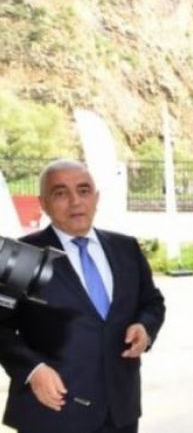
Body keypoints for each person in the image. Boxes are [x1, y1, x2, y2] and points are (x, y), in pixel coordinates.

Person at [0, 159, 166, 433]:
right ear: (43, 203)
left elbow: (151, 302)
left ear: (96, 198)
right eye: (60, 193)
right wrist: (32, 369)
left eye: (84, 190)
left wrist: (145, 328)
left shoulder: (125, 248)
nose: (75, 201)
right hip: (51, 413)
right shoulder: (24, 256)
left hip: (119, 411)